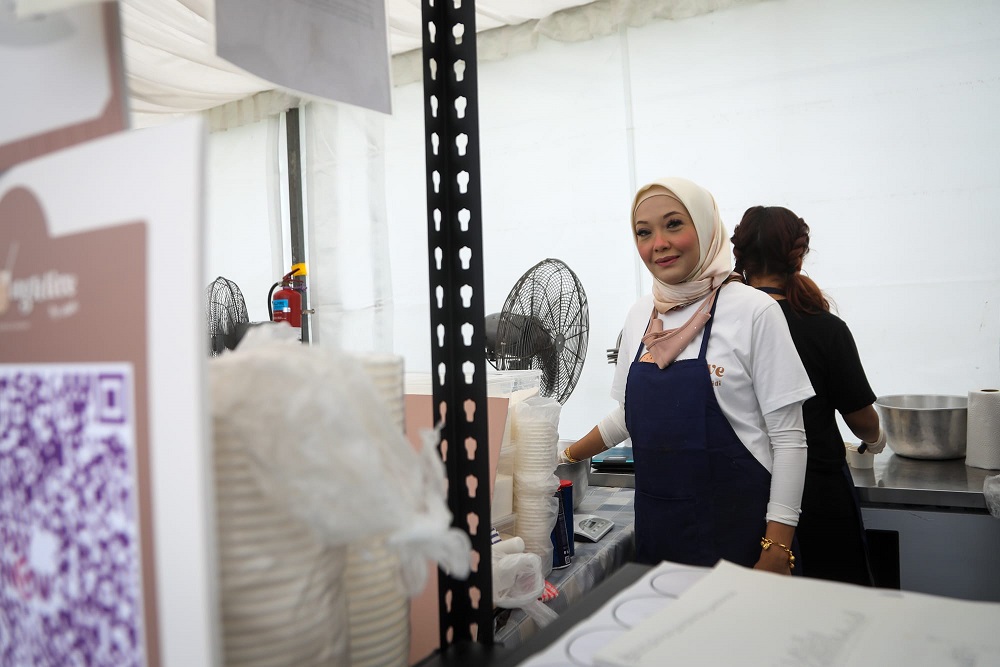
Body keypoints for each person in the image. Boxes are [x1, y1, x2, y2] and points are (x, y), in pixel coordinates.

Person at [561, 177, 815, 574]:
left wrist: (777, 546)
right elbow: (631, 415)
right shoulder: (640, 315)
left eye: (674, 224)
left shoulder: (753, 311)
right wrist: (565, 455)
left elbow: (789, 439)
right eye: (644, 232)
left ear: (706, 227)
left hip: (742, 535)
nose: (658, 242)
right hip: (660, 535)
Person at [730, 205, 885, 586]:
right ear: (798, 257)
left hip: (746, 492)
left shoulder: (721, 328)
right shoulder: (825, 328)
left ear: (742, 256)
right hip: (818, 495)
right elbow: (862, 420)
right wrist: (877, 439)